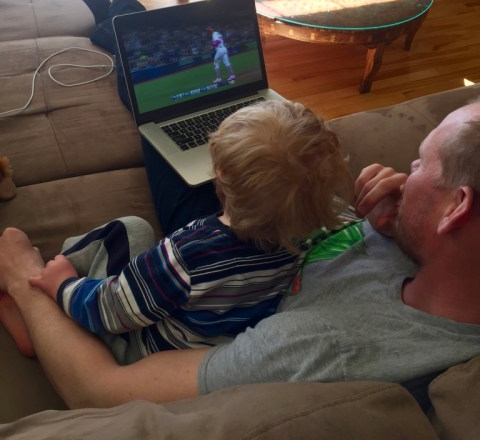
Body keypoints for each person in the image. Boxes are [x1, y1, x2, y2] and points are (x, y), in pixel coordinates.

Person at [1, 100, 480, 409]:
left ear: (456, 208)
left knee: (148, 154)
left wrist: (32, 281)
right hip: (266, 243)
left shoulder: (317, 348)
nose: (407, 168)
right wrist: (393, 225)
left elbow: (102, 373)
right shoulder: (428, 255)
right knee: (166, 119)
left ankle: (121, 18)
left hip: (173, 309)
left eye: (421, 162)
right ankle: (122, 16)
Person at [0, 99, 354, 363]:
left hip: (143, 347)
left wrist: (63, 285)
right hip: (212, 333)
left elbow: (110, 310)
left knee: (129, 229)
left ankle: (41, 307)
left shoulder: (187, 255)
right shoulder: (316, 233)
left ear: (219, 173)